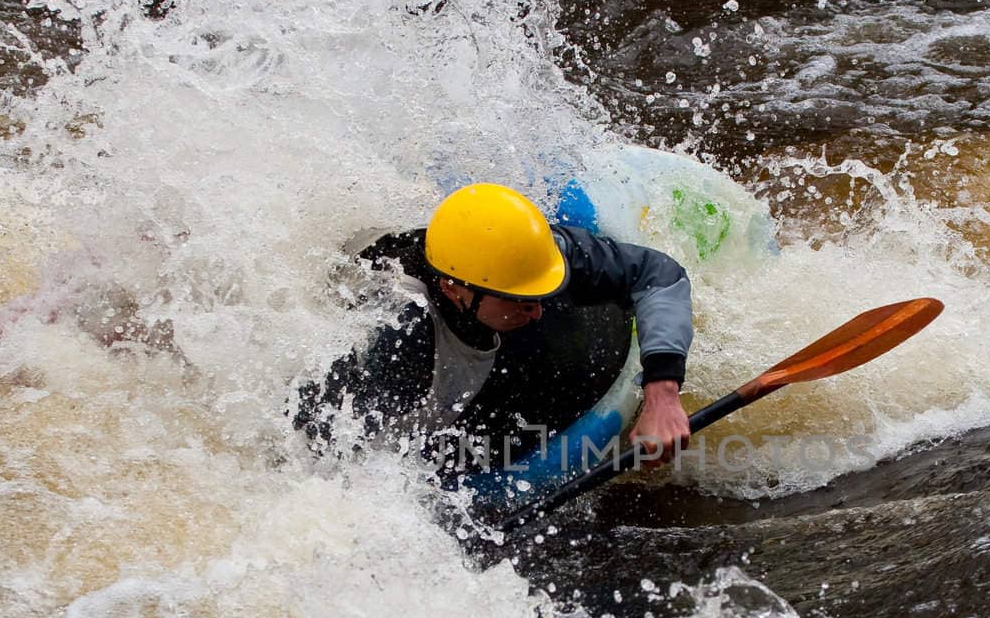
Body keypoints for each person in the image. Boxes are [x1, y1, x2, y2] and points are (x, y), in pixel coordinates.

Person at [294, 183, 693, 480]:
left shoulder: (528, 254)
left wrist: (662, 392)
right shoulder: (396, 339)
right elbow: (323, 457)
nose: (537, 311)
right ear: (454, 289)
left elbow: (660, 276)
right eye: (519, 301)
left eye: (540, 295)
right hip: (445, 402)